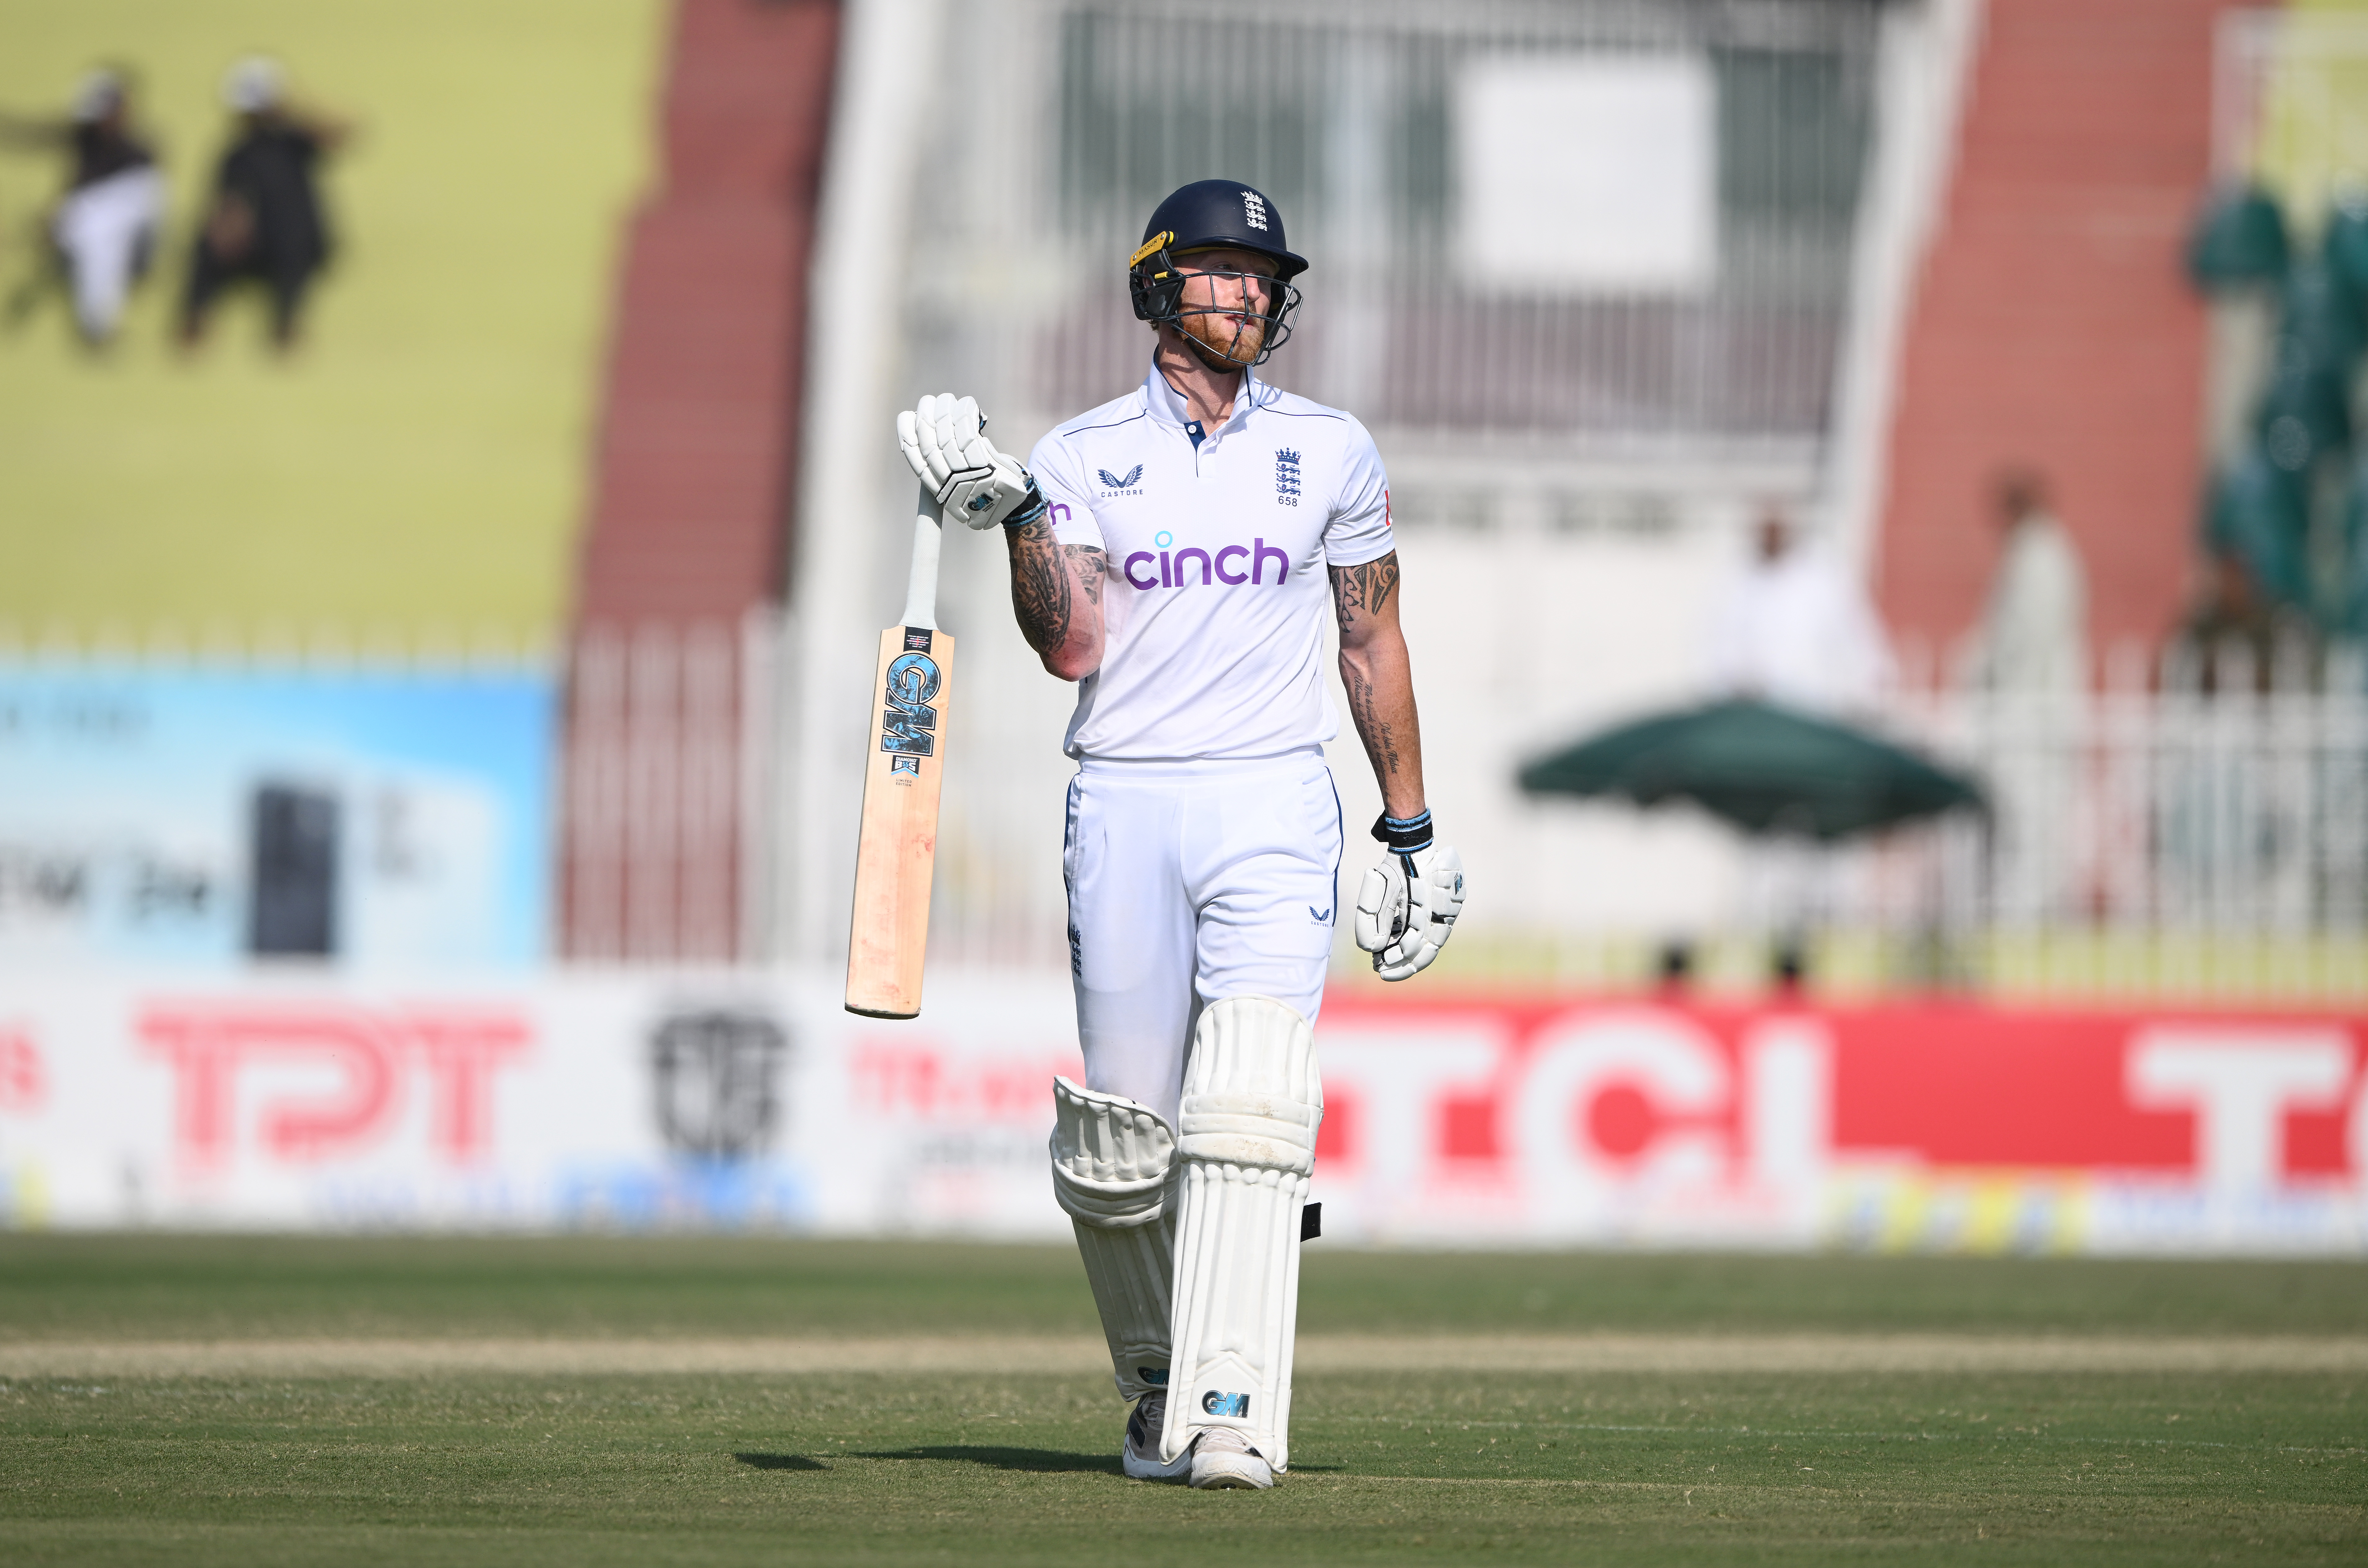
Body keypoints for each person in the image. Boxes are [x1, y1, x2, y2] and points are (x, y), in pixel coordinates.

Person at [894, 179, 1464, 1491]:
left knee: (1250, 1102)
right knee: (1123, 1151)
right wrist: (1019, 514)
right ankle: (1158, 1380)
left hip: (1272, 795)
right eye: (1219, 270)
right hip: (1126, 795)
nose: (1249, 292)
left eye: (1263, 275)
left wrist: (1411, 829)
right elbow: (1069, 648)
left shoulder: (1330, 449)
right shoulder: (1086, 454)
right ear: (1159, 285)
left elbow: (1369, 638)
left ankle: (1234, 1408)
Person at [179, 57, 348, 351]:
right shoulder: (237, 154)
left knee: (294, 239)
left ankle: (287, 326)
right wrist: (226, 234)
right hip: (253, 245)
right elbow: (226, 205)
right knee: (206, 248)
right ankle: (195, 323)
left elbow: (341, 133)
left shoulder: (295, 143)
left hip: (296, 244)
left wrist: (298, 103)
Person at [0, 67, 163, 345]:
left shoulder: (137, 149)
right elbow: (40, 136)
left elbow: (92, 189)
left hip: (135, 215)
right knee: (87, 233)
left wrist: (59, 217)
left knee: (96, 236)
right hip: (98, 219)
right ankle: (98, 324)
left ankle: (99, 325)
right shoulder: (86, 137)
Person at [1703, 505, 1894, 714]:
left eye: (1776, 529)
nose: (1771, 537)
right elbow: (1718, 646)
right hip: (1753, 709)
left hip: (1812, 708)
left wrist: (1868, 687)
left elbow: (1859, 636)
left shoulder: (1822, 580)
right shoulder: (1739, 581)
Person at [1970, 470, 2087, 695]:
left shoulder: (2039, 558)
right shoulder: (2039, 552)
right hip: (2031, 688)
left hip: (2032, 692)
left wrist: (1994, 669)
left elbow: (2024, 629)